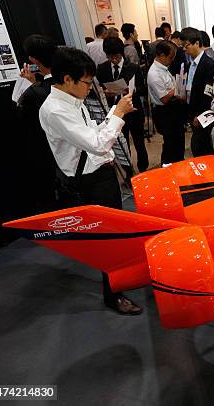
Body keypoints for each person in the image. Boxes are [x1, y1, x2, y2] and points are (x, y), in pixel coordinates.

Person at [39, 47, 140, 315]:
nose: (89, 88)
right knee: (109, 241)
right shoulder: (56, 110)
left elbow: (91, 135)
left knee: (116, 237)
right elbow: (96, 143)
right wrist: (117, 113)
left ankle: (121, 280)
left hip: (100, 174)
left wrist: (111, 119)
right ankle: (114, 294)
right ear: (68, 79)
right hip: (89, 181)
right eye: (86, 82)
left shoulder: (72, 100)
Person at [17, 34, 58, 215]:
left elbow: (26, 118)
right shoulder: (66, 79)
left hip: (46, 151)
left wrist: (32, 87)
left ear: (33, 59)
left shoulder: (34, 93)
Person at [97, 37, 148, 174]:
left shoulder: (132, 67)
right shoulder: (102, 68)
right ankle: (128, 172)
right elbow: (100, 88)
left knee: (139, 142)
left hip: (134, 110)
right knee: (121, 144)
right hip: (115, 113)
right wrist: (106, 93)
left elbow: (143, 89)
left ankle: (143, 169)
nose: (113, 59)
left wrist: (132, 90)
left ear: (121, 53)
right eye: (109, 56)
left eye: (116, 56)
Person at [180, 27, 214, 157]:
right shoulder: (191, 63)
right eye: (183, 46)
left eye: (187, 46)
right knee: (201, 147)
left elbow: (208, 94)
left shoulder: (208, 64)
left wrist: (200, 116)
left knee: (200, 147)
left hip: (202, 114)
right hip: (192, 110)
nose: (184, 49)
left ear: (197, 43)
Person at [147, 40, 186, 164]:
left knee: (178, 141)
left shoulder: (163, 68)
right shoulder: (154, 74)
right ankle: (168, 168)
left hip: (174, 109)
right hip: (165, 112)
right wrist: (177, 89)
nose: (172, 60)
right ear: (162, 55)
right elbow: (164, 98)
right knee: (170, 144)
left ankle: (179, 164)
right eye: (170, 57)